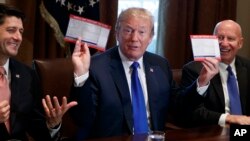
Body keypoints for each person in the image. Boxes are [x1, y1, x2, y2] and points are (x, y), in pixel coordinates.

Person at [69, 7, 217, 140]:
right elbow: (82, 119)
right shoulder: (96, 66)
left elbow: (179, 108)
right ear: (117, 33)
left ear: (150, 37)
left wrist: (202, 81)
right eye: (128, 30)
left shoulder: (160, 65)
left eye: (141, 32)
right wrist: (81, 76)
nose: (134, 38)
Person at [0, 4, 77, 141]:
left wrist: (52, 125)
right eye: (11, 30)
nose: (18, 37)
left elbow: (36, 128)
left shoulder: (26, 75)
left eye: (21, 31)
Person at [180, 20, 250, 128]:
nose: (224, 43)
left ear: (240, 43)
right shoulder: (194, 69)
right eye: (220, 38)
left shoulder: (247, 67)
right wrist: (229, 118)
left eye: (230, 38)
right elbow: (191, 112)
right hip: (215, 132)